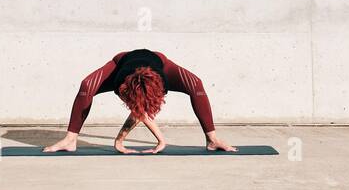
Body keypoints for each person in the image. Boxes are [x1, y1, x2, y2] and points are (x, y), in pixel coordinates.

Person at [43, 48, 238, 153]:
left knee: (196, 84)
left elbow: (143, 109)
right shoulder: (122, 83)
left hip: (159, 61)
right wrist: (121, 140)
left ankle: (212, 139)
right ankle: (70, 140)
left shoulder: (161, 81)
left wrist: (159, 140)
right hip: (121, 61)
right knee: (86, 86)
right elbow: (139, 111)